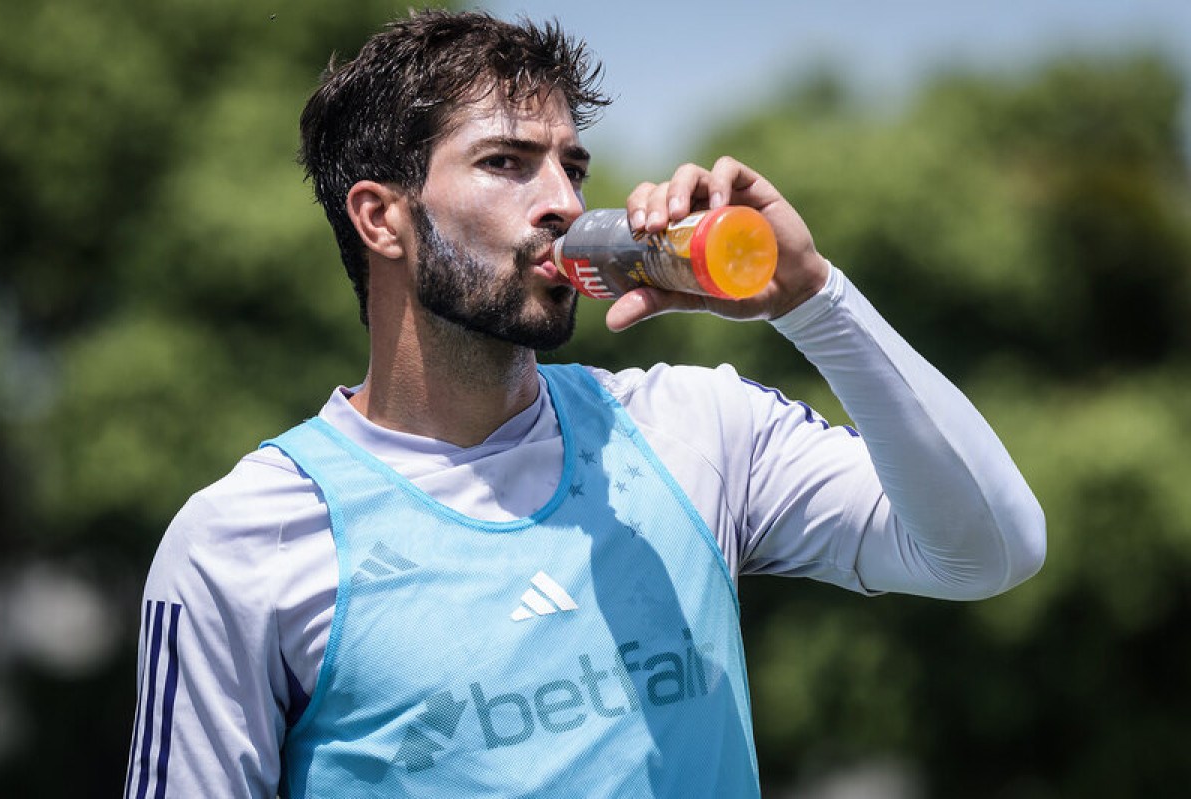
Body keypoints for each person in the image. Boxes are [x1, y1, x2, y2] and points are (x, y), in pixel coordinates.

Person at [123, 9, 1046, 798]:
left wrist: (813, 299)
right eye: (506, 162)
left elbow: (990, 550)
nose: (563, 200)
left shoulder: (692, 431)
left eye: (573, 163)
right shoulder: (247, 539)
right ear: (381, 218)